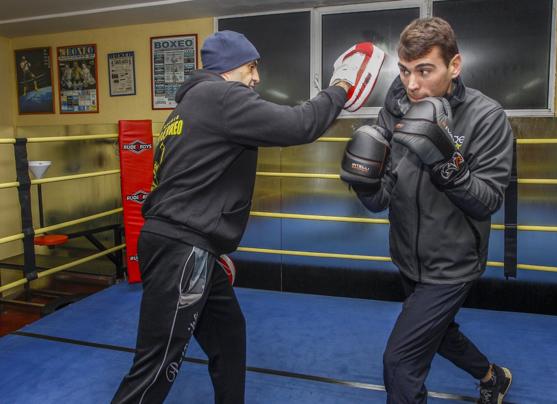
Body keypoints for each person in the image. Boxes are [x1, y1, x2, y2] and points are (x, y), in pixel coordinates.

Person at [112, 30, 370, 404]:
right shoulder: (221, 96)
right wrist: (342, 85)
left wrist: (212, 244)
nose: (256, 78)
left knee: (229, 335)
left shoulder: (184, 110)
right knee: (155, 367)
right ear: (229, 68)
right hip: (183, 250)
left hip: (184, 244)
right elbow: (300, 125)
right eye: (251, 67)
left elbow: (187, 182)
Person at [340, 18, 514, 404]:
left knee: (400, 362)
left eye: (424, 70)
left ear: (454, 66)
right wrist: (364, 185)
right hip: (407, 256)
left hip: (453, 264)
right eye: (404, 70)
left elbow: (487, 200)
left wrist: (445, 163)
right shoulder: (397, 106)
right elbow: (382, 196)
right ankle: (492, 377)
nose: (411, 83)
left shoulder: (487, 117)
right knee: (438, 334)